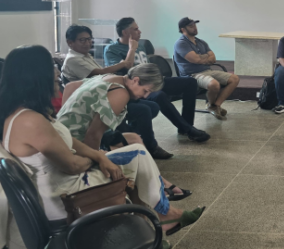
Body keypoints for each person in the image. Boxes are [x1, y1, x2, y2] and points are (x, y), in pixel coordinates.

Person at [0, 45, 203, 237]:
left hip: (59, 182)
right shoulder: (31, 121)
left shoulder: (26, 114)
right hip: (63, 195)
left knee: (135, 154)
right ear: (37, 82)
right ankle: (161, 215)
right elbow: (73, 164)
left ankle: (156, 218)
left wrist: (98, 156)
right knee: (135, 159)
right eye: (54, 81)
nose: (58, 85)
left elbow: (69, 132)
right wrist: (99, 158)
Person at [60, 25, 174, 159]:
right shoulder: (120, 93)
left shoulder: (110, 78)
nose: (145, 96)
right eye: (146, 91)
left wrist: (65, 116)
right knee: (134, 154)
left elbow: (71, 86)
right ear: (136, 80)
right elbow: (93, 135)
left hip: (64, 135)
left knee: (135, 140)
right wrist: (98, 161)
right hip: (73, 144)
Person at [104, 17, 210, 143]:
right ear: (125, 32)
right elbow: (127, 67)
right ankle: (187, 130)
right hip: (137, 87)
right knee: (159, 95)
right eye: (135, 29)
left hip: (152, 81)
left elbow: (148, 67)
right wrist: (131, 48)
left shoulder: (140, 45)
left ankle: (187, 125)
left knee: (190, 82)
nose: (139, 32)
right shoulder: (112, 49)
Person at [174, 17, 239, 120]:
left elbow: (213, 58)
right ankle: (213, 106)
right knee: (214, 84)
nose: (195, 28)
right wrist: (205, 57)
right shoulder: (181, 43)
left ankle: (215, 105)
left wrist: (201, 58)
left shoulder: (201, 42)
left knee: (234, 79)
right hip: (192, 75)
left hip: (207, 71)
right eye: (191, 26)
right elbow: (195, 59)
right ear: (183, 29)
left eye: (195, 25)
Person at [61, 24, 136, 82]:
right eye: (82, 40)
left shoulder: (85, 55)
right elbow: (100, 74)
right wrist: (123, 63)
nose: (87, 43)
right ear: (70, 42)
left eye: (89, 39)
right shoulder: (73, 59)